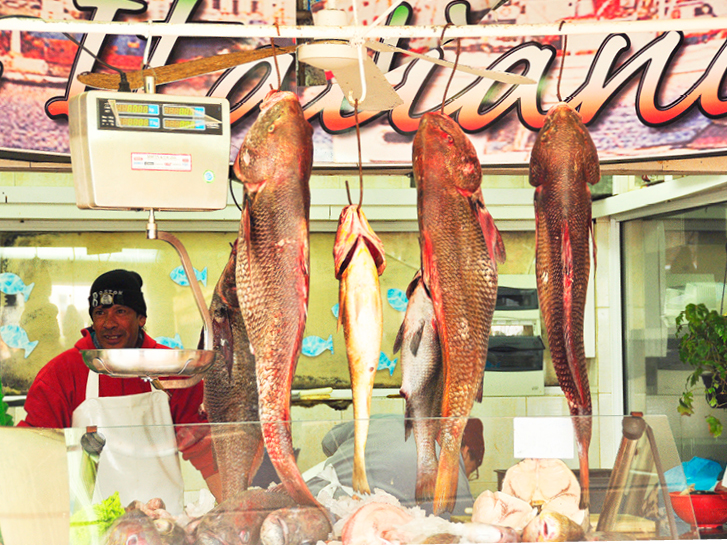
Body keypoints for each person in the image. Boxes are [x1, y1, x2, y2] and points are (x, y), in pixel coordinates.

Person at [18, 269, 221, 513]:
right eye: (100, 313)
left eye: (121, 311)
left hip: (165, 523)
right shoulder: (63, 373)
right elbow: (34, 450)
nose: (109, 323)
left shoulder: (171, 367)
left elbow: (204, 448)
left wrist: (238, 509)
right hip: (94, 527)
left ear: (141, 318)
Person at [304, 414, 484, 517]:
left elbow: (328, 441)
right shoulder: (451, 475)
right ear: (466, 451)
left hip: (305, 502)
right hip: (349, 523)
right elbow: (460, 528)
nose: (466, 476)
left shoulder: (392, 420)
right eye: (471, 470)